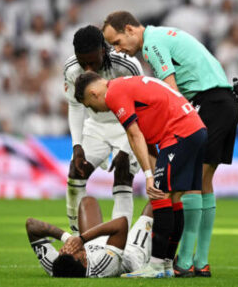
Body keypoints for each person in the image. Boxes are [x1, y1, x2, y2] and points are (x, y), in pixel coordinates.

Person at [101, 10, 238, 277]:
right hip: (225, 101)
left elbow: (172, 90)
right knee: (203, 182)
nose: (118, 50)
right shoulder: (164, 35)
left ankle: (185, 261)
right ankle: (198, 261)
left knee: (189, 185)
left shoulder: (152, 44)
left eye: (117, 42)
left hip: (207, 102)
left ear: (130, 29)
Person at [74, 72, 207, 278]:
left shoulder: (114, 94)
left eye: (90, 105)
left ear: (93, 93)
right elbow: (147, 136)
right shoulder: (126, 85)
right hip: (195, 130)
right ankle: (167, 265)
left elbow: (134, 135)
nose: (95, 110)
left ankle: (155, 266)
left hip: (178, 134)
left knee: (159, 197)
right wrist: (153, 169)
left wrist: (148, 175)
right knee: (175, 198)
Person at [63, 25, 146, 234]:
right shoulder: (72, 69)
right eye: (84, 63)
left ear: (103, 50)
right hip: (96, 125)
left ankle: (118, 243)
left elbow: (142, 107)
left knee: (123, 174)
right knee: (76, 171)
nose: (88, 68)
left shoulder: (127, 65)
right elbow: (74, 106)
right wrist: (77, 145)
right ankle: (78, 238)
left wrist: (126, 150)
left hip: (126, 125)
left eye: (93, 61)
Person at [26, 196, 154, 277]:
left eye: (62, 251)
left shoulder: (55, 266)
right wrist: (81, 239)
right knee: (157, 201)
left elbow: (31, 224)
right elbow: (121, 224)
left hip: (94, 244)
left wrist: (67, 238)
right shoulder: (102, 267)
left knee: (87, 202)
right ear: (85, 262)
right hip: (130, 251)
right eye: (74, 251)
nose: (67, 248)